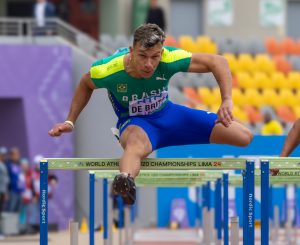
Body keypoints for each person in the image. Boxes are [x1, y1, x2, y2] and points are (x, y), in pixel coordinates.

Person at [49, 24, 253, 205]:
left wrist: (226, 99)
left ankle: (127, 175)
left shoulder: (168, 58)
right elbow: (86, 83)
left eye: (155, 57)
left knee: (244, 136)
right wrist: (70, 120)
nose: (149, 64)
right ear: (131, 51)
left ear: (161, 53)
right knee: (135, 144)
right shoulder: (108, 70)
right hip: (137, 124)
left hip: (170, 116)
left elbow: (217, 61)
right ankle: (125, 180)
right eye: (143, 56)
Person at [0, 147, 9, 240]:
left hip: (2, 191)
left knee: (1, 213)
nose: (4, 156)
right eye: (2, 154)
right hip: (0, 191)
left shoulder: (3, 164)